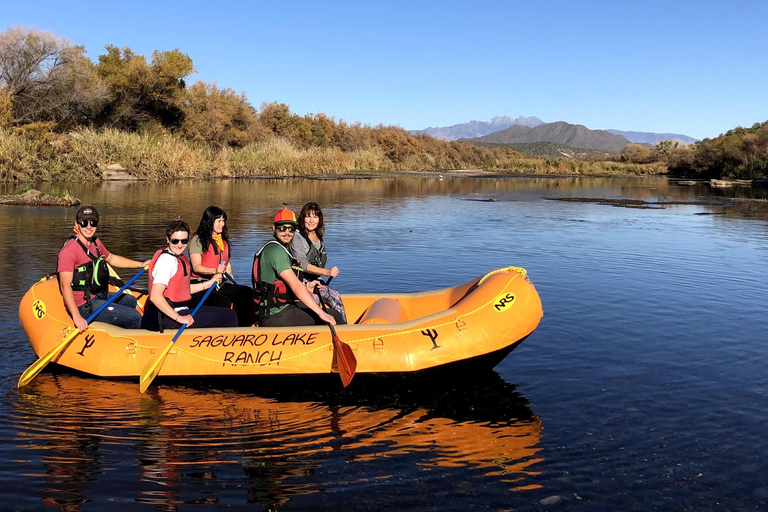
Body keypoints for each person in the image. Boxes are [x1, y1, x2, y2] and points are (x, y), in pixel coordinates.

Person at [57, 206, 150, 331]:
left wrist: (141, 264)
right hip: (84, 304)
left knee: (130, 300)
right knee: (135, 317)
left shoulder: (95, 243)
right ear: (77, 225)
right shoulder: (69, 251)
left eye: (93, 223)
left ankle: (114, 328)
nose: (89, 227)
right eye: (84, 223)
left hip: (97, 295)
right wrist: (76, 316)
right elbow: (65, 286)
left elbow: (111, 258)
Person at [141, 219, 238, 332]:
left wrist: (210, 283)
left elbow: (182, 289)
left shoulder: (177, 257)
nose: (180, 245)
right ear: (168, 239)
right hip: (168, 317)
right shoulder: (167, 261)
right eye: (175, 241)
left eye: (184, 241)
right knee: (229, 316)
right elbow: (155, 296)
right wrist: (180, 318)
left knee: (222, 307)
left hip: (179, 310)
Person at [252, 208, 341, 327]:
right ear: (274, 228)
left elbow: (284, 285)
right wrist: (321, 314)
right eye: (282, 228)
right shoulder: (275, 251)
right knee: (334, 315)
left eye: (291, 228)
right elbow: (295, 285)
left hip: (277, 309)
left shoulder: (279, 248)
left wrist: (308, 287)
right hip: (276, 314)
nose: (287, 232)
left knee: (314, 307)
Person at [189, 206, 254, 326]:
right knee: (223, 302)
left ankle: (243, 329)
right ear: (209, 222)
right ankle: (221, 331)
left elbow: (227, 265)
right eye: (219, 221)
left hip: (219, 283)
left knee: (246, 292)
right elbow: (196, 266)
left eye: (223, 220)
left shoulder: (222, 241)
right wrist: (214, 270)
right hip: (200, 284)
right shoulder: (197, 240)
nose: (222, 224)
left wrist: (234, 285)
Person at [288, 202, 347, 323]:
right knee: (314, 300)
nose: (311, 220)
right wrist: (326, 272)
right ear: (302, 218)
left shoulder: (318, 236)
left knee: (335, 296)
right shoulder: (297, 237)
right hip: (302, 285)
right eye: (308, 216)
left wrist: (320, 281)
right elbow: (302, 265)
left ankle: (344, 329)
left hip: (316, 283)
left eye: (315, 217)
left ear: (319, 219)